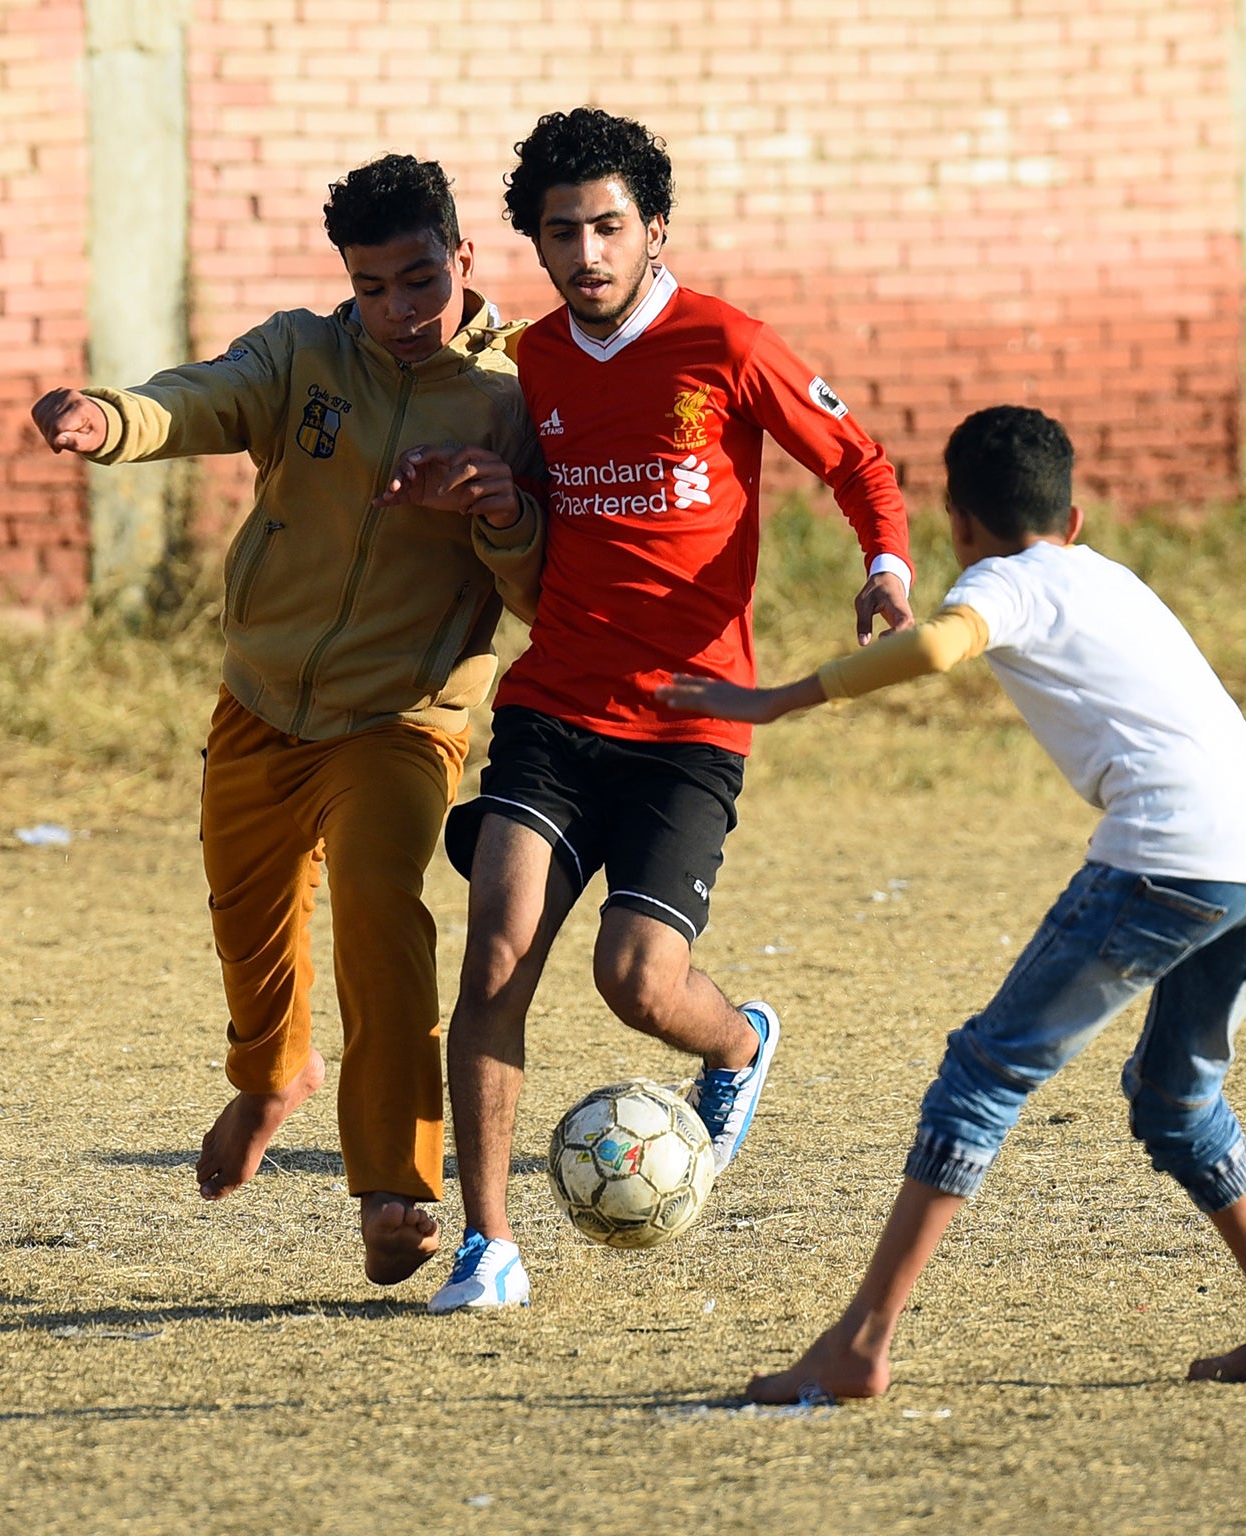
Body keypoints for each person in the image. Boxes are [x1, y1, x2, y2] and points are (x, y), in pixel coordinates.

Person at [658, 405, 1246, 1394]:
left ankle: (859, 1346)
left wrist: (771, 701)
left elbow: (943, 648)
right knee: (1174, 1102)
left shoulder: (1000, 580)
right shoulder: (1101, 575)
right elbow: (955, 637)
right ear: (1073, 518)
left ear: (958, 522)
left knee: (980, 1076)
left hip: (1167, 853)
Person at [405, 108, 917, 1313]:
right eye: (560, 233)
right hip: (554, 707)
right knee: (498, 947)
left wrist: (885, 568)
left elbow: (860, 463)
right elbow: (519, 508)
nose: (584, 253)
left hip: (692, 721)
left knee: (635, 984)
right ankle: (489, 1245)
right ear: (533, 242)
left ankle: (735, 1045)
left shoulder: (724, 343)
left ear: (653, 228)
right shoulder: (527, 365)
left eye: (606, 227)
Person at [29, 155, 545, 1286]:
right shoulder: (301, 356)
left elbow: (543, 595)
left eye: (420, 281)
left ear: (463, 259)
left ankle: (397, 1189)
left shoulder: (516, 398)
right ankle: (271, 1078)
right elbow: (195, 399)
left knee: (376, 908)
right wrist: (105, 419)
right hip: (261, 707)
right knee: (249, 943)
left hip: (403, 721)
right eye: (371, 288)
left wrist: (499, 509)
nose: (400, 313)